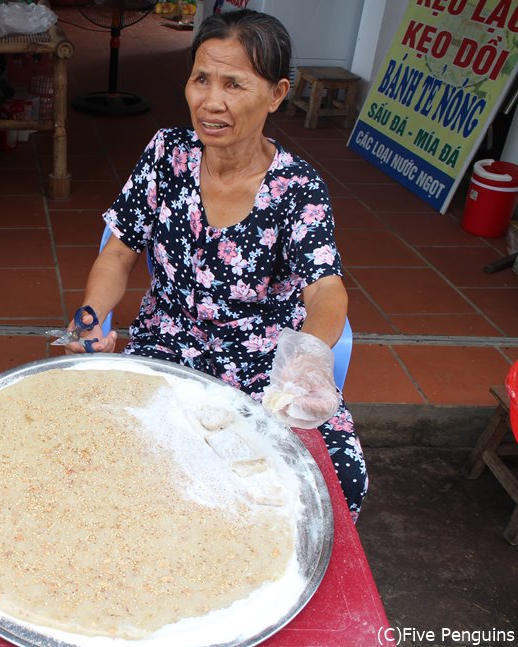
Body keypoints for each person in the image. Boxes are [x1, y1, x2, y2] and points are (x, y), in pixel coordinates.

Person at [63, 9, 368, 521]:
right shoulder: (167, 154)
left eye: (234, 84)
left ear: (275, 94)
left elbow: (325, 290)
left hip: (263, 367)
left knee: (336, 481)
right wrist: (91, 317)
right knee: (130, 467)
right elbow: (118, 251)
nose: (211, 102)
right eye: (201, 79)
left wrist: (307, 360)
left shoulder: (297, 188)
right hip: (168, 347)